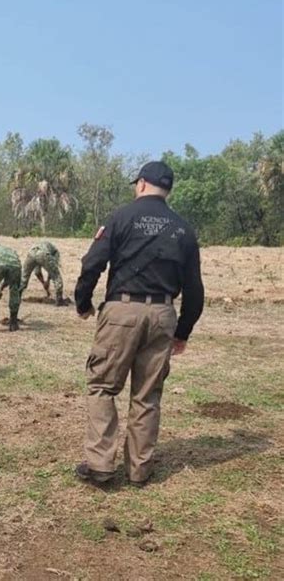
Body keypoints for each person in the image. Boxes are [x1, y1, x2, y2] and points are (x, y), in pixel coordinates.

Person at [74, 161, 204, 487]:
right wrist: (183, 332)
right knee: (148, 396)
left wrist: (83, 302)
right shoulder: (184, 230)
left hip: (122, 311)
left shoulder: (120, 217)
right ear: (167, 190)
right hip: (162, 316)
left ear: (142, 184)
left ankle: (101, 465)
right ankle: (139, 471)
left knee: (103, 387)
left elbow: (92, 263)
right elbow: (195, 290)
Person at [20, 241, 69, 306]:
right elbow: (53, 270)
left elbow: (37, 272)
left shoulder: (42, 247)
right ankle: (59, 300)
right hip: (43, 253)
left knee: (24, 277)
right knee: (57, 277)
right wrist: (46, 282)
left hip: (31, 252)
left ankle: (16, 296)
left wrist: (45, 282)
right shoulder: (56, 252)